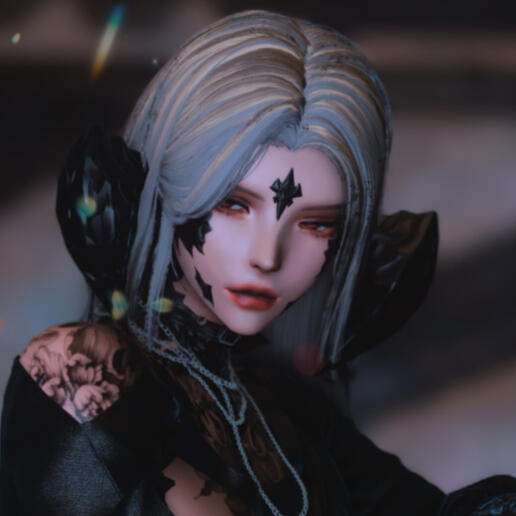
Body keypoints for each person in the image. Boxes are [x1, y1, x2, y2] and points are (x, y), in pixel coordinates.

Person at [1, 9, 515, 516]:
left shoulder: (284, 405)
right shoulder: (81, 371)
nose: (268, 256)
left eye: (316, 225)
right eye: (234, 205)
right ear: (167, 189)